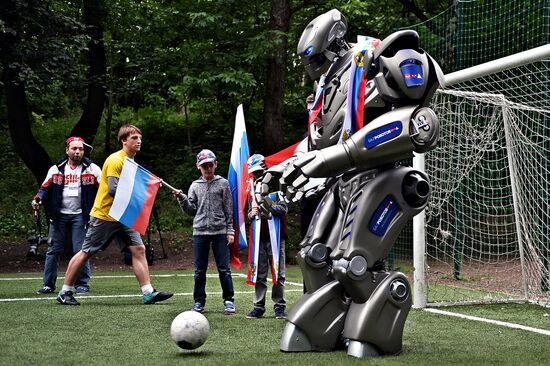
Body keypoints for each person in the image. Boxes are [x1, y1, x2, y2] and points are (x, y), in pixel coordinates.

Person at [56, 125, 173, 306]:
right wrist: (139, 197)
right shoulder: (115, 160)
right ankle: (65, 291)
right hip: (105, 215)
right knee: (86, 252)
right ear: (123, 141)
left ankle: (148, 292)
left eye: (140, 138)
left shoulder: (131, 161)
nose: (138, 141)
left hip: (124, 215)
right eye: (134, 138)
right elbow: (112, 189)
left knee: (139, 249)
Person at [33, 137, 101, 295]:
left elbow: (105, 189)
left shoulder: (92, 169)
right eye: (74, 148)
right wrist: (38, 200)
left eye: (81, 149)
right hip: (58, 215)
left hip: (81, 215)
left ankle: (82, 284)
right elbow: (44, 188)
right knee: (53, 250)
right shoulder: (56, 168)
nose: (77, 152)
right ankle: (48, 284)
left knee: (81, 250)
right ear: (67, 150)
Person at [175, 149, 236, 315]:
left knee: (224, 268)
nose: (208, 169)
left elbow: (228, 209)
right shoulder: (195, 186)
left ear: (215, 164)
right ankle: (199, 301)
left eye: (210, 165)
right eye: (204, 166)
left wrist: (230, 230)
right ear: (198, 167)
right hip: (200, 232)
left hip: (220, 232)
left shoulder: (223, 184)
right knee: (199, 270)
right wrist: (182, 199)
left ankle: (229, 300)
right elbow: (191, 210)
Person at [245, 154, 288, 319]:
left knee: (279, 272)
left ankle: (279, 306)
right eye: (254, 173)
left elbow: (284, 209)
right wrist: (252, 213)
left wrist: (268, 206)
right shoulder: (251, 186)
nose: (256, 175)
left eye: (259, 172)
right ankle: (258, 306)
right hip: (259, 236)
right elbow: (249, 212)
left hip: (276, 235)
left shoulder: (277, 183)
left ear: (265, 168)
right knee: (259, 272)